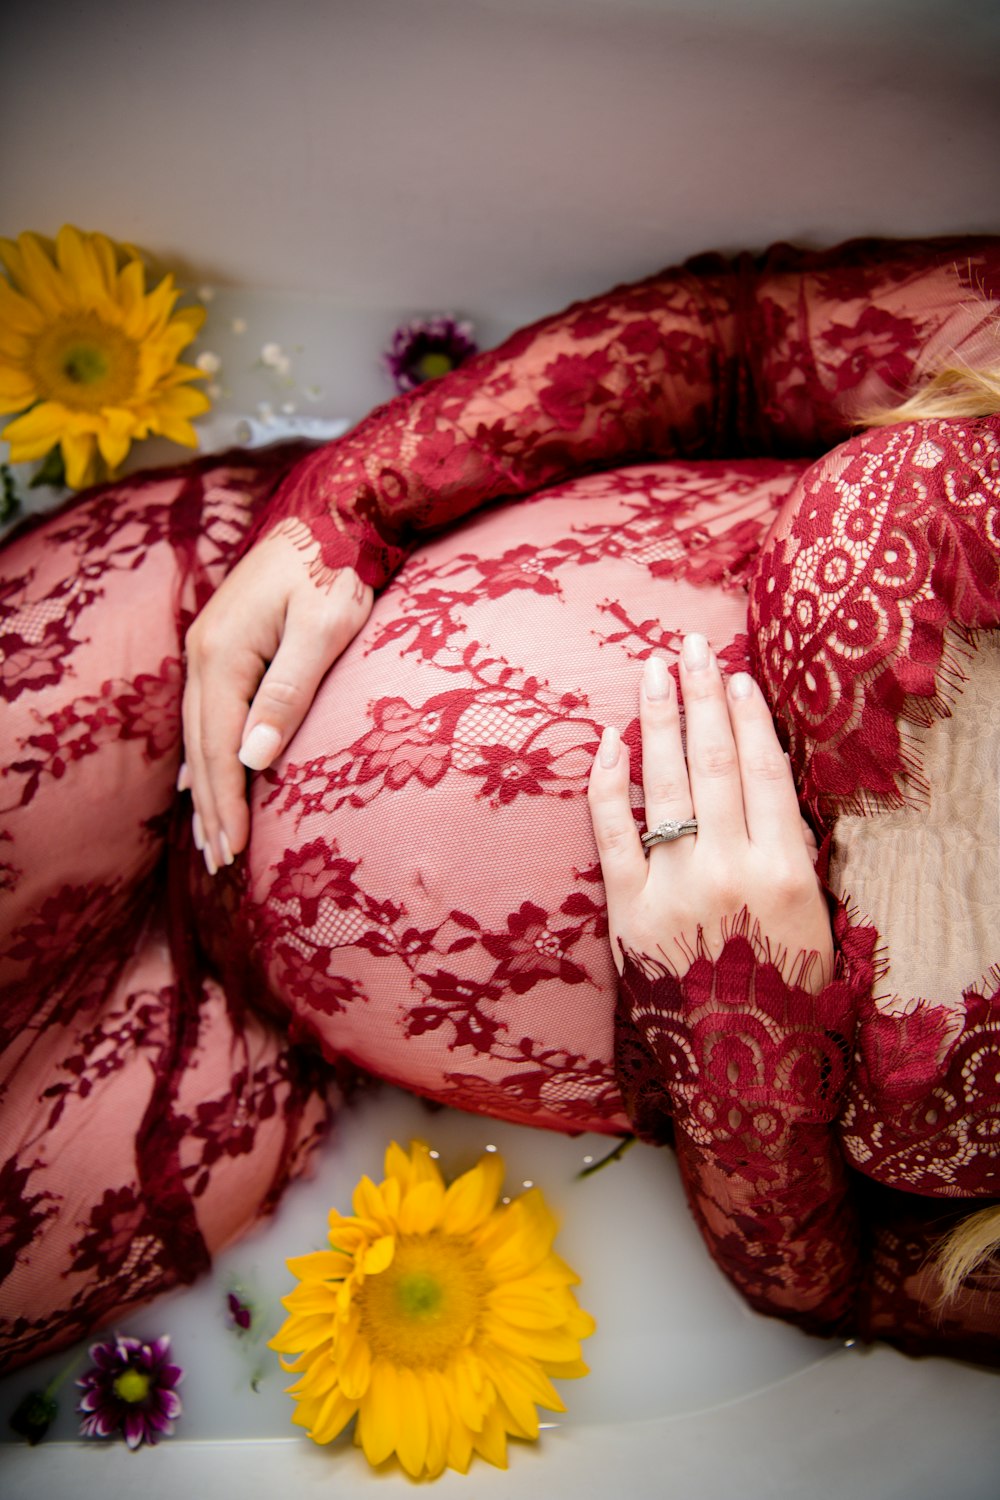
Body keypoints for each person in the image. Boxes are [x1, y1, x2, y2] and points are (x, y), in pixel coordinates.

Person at [1, 235, 998, 1375]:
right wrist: (351, 504)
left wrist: (738, 1045)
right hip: (186, 667)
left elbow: (850, 1283)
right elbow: (745, 346)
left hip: (247, 1061)